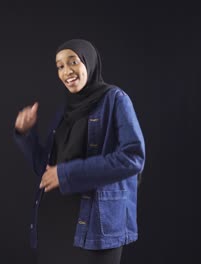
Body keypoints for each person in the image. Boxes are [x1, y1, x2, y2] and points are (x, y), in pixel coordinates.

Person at [14, 39, 145, 264]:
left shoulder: (115, 99)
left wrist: (66, 174)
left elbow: (132, 158)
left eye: (73, 62)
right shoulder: (66, 109)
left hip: (95, 227)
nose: (66, 71)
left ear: (89, 62)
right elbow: (44, 169)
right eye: (60, 66)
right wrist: (25, 134)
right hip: (55, 223)